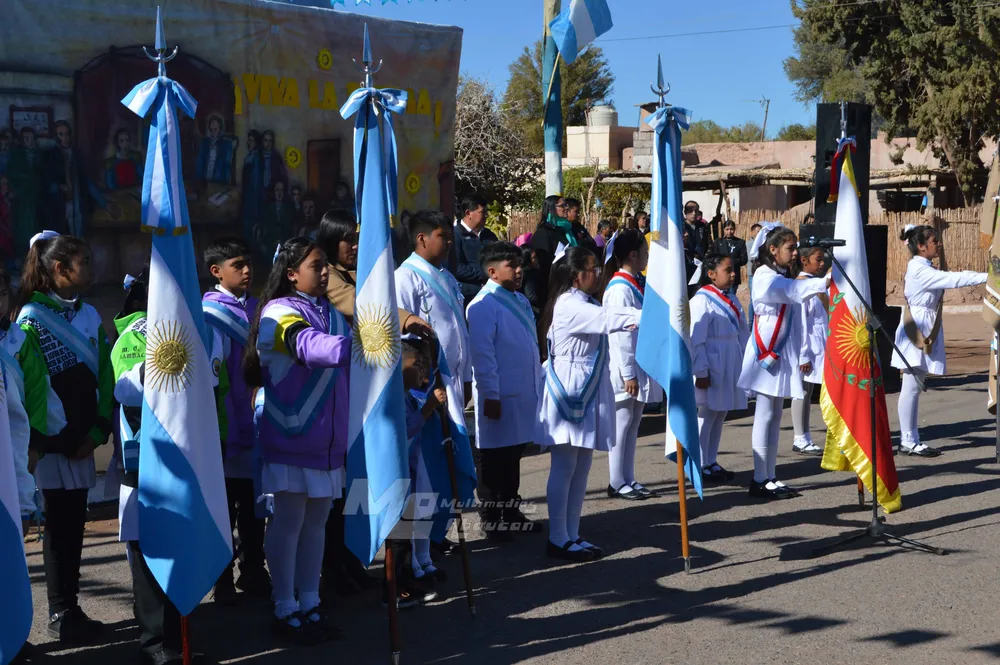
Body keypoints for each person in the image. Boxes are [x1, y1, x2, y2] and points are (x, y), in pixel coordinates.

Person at [244, 238, 350, 645]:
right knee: (288, 525)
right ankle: (284, 606)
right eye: (316, 265)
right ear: (291, 273)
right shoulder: (278, 313)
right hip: (292, 436)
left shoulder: (332, 314)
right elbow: (307, 346)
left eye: (325, 265)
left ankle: (310, 602)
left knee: (317, 526)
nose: (325, 272)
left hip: (328, 444)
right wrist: (359, 346)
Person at [111, 273, 215, 665]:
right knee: (149, 557)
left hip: (186, 461)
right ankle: (154, 642)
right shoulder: (134, 334)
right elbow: (126, 388)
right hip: (147, 464)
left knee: (179, 548)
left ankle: (177, 634)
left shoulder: (193, 330)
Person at [15, 231, 112, 642]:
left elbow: (106, 376)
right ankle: (59, 611)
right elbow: (34, 389)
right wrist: (60, 439)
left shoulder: (89, 315)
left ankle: (71, 606)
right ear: (59, 269)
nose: (91, 269)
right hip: (54, 446)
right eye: (84, 262)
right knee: (57, 527)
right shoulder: (30, 320)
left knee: (75, 524)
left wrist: (97, 429)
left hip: (83, 441)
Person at [537, 246, 640, 561]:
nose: (597, 274)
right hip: (570, 386)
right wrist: (655, 314)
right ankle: (557, 537)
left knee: (581, 465)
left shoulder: (583, 301)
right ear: (573, 274)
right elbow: (612, 319)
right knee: (566, 464)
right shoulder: (569, 304)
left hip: (585, 382)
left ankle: (571, 534)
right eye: (591, 269)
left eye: (597, 268)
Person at [394, 210, 474, 574]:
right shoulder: (405, 277)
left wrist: (466, 375)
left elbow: (457, 329)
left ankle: (432, 543)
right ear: (422, 239)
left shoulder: (446, 276)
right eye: (443, 235)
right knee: (425, 471)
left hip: (452, 385)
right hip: (426, 390)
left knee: (442, 469)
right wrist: (430, 385)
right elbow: (406, 341)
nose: (448, 242)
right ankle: (416, 553)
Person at [202, 238, 270, 603]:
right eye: (237, 264)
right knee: (224, 506)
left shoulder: (260, 307)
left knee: (254, 503)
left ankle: (254, 570)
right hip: (226, 422)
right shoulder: (208, 313)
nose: (247, 270)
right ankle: (222, 578)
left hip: (257, 418)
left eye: (248, 264)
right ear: (217, 272)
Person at [737, 224, 827, 500]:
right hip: (767, 352)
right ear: (772, 250)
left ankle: (770, 475)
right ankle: (759, 478)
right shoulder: (765, 277)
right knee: (764, 415)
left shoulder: (777, 274)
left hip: (780, 352)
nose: (795, 252)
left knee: (775, 416)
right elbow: (792, 291)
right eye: (790, 248)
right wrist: (827, 281)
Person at [891, 224, 987, 457]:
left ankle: (910, 438)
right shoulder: (919, 269)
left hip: (926, 322)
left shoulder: (923, 266)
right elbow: (952, 280)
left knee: (914, 385)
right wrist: (987, 276)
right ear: (921, 247)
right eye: (934, 241)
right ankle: (908, 439)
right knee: (911, 386)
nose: (939, 244)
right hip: (917, 325)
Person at [467, 242, 541, 540]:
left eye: (520, 263)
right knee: (493, 458)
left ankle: (511, 511)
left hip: (522, 393)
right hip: (499, 395)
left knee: (513, 454)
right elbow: (483, 356)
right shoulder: (483, 305)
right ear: (493, 271)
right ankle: (492, 517)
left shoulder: (519, 300)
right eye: (512, 265)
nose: (520, 269)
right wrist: (490, 395)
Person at [601, 230, 662, 500]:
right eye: (645, 252)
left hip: (638, 363)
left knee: (633, 423)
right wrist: (628, 373)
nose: (648, 257)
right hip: (625, 367)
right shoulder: (619, 289)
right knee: (621, 424)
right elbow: (620, 334)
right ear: (632, 255)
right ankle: (616, 481)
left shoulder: (635, 284)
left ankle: (628, 477)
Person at [690, 253, 749, 482]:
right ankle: (699, 461)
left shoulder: (732, 299)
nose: (734, 274)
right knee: (707, 412)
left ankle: (711, 460)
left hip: (730, 358)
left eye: (733, 269)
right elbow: (696, 340)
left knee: (720, 412)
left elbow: (742, 332)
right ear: (712, 274)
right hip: (712, 361)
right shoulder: (702, 300)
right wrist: (701, 371)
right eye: (728, 270)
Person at [790, 239, 830, 456]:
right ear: (804, 260)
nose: (822, 263)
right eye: (818, 259)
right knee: (802, 391)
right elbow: (801, 323)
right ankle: (800, 436)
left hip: (820, 342)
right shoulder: (801, 286)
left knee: (809, 391)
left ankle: (805, 434)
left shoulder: (816, 283)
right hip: (808, 346)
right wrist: (803, 355)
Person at [531, 195, 592, 315]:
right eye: (563, 206)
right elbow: (544, 263)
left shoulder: (567, 230)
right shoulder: (543, 233)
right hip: (553, 289)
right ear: (551, 209)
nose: (566, 208)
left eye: (567, 205)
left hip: (570, 285)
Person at [452, 193, 497, 308]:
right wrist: (485, 273)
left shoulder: (489, 235)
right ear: (468, 213)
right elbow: (457, 268)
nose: (486, 215)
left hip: (492, 294)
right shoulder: (455, 235)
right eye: (482, 212)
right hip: (468, 297)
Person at [712, 220, 748, 295]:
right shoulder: (718, 242)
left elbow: (744, 259)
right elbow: (713, 257)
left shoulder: (740, 242)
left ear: (734, 229)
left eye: (731, 229)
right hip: (720, 276)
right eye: (727, 229)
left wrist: (733, 262)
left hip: (733, 276)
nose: (729, 231)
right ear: (723, 230)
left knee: (731, 298)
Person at [519, 246, 542, 320]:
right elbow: (531, 296)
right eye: (533, 258)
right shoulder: (530, 274)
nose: (537, 260)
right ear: (527, 259)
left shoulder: (523, 272)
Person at [747, 223, 762, 326]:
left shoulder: (762, 244)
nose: (760, 234)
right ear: (752, 233)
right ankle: (751, 323)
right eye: (758, 232)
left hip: (761, 274)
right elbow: (752, 258)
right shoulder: (749, 244)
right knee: (753, 299)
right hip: (753, 274)